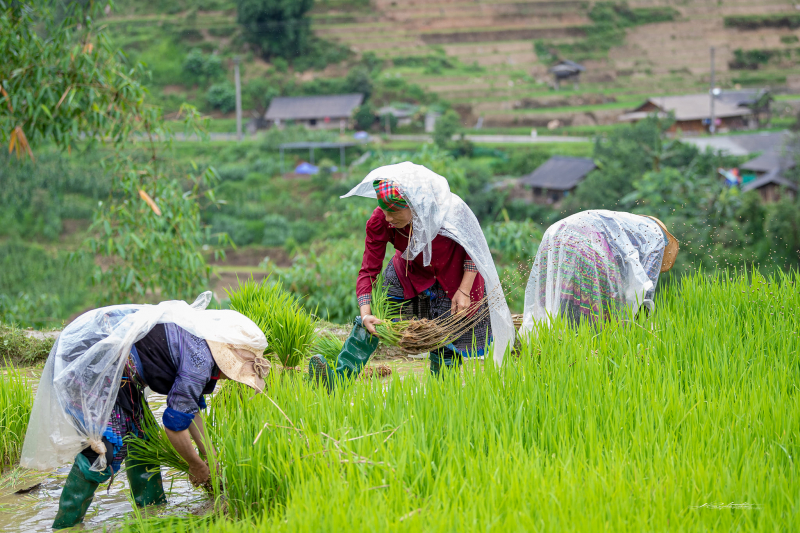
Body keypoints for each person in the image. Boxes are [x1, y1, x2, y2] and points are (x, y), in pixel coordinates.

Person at [19, 292, 268, 530]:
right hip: (94, 363)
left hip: (120, 374)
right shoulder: (199, 362)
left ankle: (151, 512)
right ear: (228, 360)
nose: (235, 380)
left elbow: (189, 410)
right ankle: (67, 525)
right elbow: (174, 426)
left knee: (143, 440)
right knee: (107, 449)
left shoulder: (203, 351)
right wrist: (196, 465)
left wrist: (210, 457)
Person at [309, 162, 515, 386]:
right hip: (409, 277)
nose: (388, 218)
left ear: (414, 204)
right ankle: (339, 379)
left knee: (445, 338)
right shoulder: (380, 221)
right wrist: (365, 311)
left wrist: (464, 290)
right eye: (384, 211)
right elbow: (369, 269)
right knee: (373, 321)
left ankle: (443, 390)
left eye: (394, 212)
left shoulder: (449, 211)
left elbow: (474, 249)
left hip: (456, 281)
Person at [520, 210, 679, 332]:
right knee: (600, 316)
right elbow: (643, 292)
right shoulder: (656, 240)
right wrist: (641, 327)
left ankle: (561, 346)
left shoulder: (624, 225)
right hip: (588, 247)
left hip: (555, 239)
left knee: (563, 306)